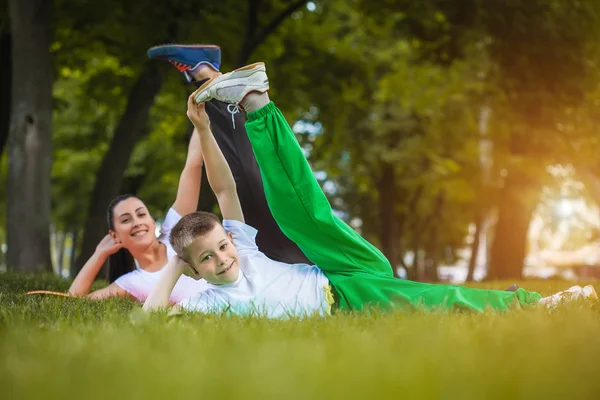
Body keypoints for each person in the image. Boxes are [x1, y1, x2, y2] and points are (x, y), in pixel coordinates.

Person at [144, 63, 598, 317]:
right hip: (345, 297)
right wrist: (175, 267)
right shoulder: (209, 302)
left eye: (221, 247)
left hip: (337, 268)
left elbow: (223, 188)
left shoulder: (241, 248)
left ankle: (255, 102)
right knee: (434, 303)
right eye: (209, 259)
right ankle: (538, 305)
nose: (223, 258)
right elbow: (150, 320)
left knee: (302, 215)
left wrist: (204, 130)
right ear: (196, 270)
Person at [146, 44, 310, 265]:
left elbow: (204, 173)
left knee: (249, 191)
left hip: (279, 259)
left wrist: (204, 124)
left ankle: (210, 78)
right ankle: (212, 78)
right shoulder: (141, 275)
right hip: (288, 260)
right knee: (258, 194)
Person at [67, 130, 208, 301]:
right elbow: (74, 299)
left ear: (150, 220)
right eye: (126, 220)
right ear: (115, 235)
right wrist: (99, 254)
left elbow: (193, 163)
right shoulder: (130, 283)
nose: (137, 223)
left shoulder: (174, 230)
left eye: (141, 214)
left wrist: (200, 119)